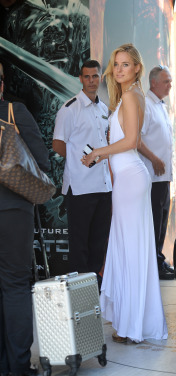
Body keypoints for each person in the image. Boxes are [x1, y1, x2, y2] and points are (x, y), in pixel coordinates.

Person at [82, 43, 168, 343]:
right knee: (127, 249)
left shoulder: (131, 97)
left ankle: (133, 327)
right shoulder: (129, 97)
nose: (118, 69)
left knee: (131, 250)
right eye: (116, 64)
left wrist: (98, 153)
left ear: (137, 68)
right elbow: (135, 140)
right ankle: (131, 324)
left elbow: (130, 141)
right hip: (128, 178)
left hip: (131, 178)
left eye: (125, 64)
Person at [0, 64, 50, 376]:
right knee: (15, 285)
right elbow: (41, 164)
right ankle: (17, 367)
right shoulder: (14, 113)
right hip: (12, 210)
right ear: (2, 85)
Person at [52, 60, 112, 289]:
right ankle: (80, 291)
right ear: (80, 79)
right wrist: (81, 159)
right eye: (86, 77)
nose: (91, 81)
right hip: (80, 187)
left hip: (103, 186)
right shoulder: (70, 109)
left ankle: (93, 286)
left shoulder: (103, 109)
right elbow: (58, 145)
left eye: (95, 76)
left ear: (99, 78)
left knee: (99, 243)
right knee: (79, 245)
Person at [138, 65, 174, 280]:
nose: (170, 85)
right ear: (154, 83)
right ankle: (152, 265)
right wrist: (154, 158)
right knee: (153, 221)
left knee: (161, 221)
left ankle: (158, 260)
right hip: (151, 176)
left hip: (164, 176)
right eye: (166, 81)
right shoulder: (146, 105)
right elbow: (136, 139)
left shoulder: (160, 105)